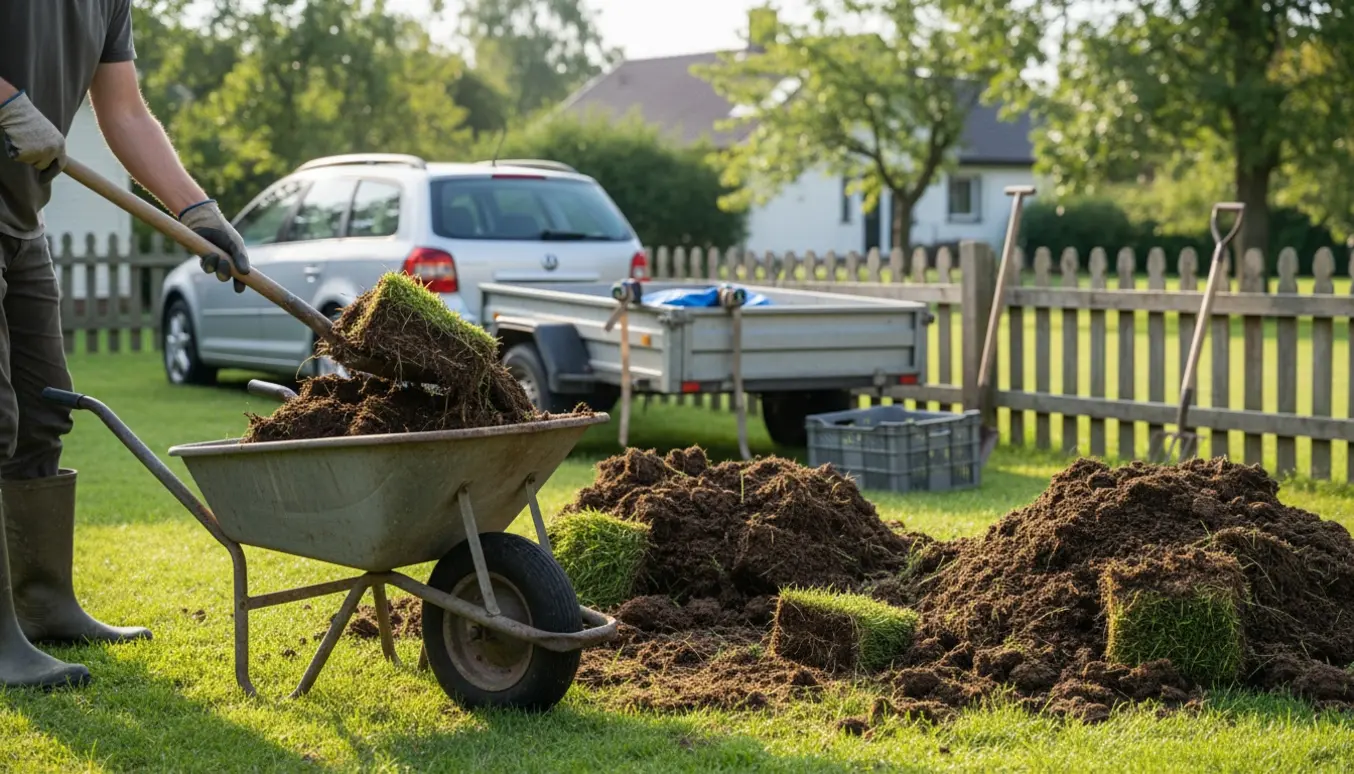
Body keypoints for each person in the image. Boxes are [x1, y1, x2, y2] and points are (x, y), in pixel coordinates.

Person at [0, 1, 252, 690]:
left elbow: (126, 111)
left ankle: (40, 601)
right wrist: (6, 100)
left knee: (42, 408)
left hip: (20, 221)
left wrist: (197, 210)